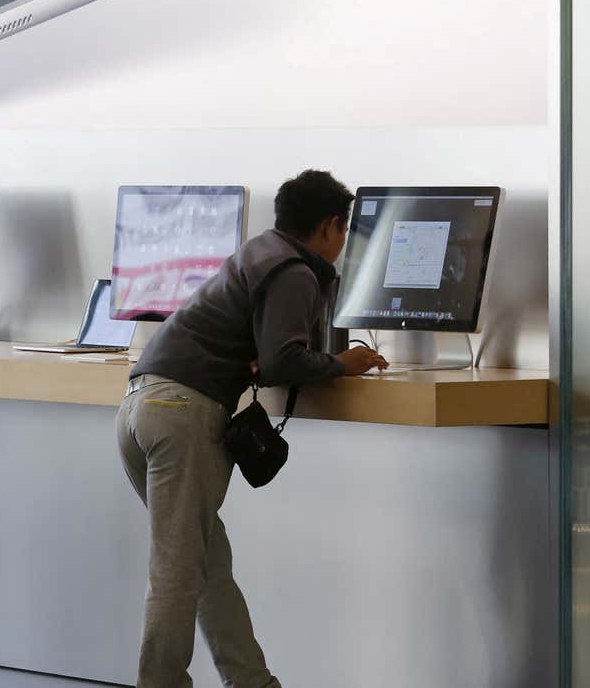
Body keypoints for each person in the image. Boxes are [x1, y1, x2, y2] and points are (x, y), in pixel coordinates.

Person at [118, 170, 388, 688]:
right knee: (177, 572)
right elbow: (283, 359)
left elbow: (264, 353)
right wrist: (342, 363)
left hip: (139, 408)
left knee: (207, 565)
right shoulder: (295, 270)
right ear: (332, 225)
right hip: (181, 415)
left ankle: (254, 682)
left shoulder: (258, 252)